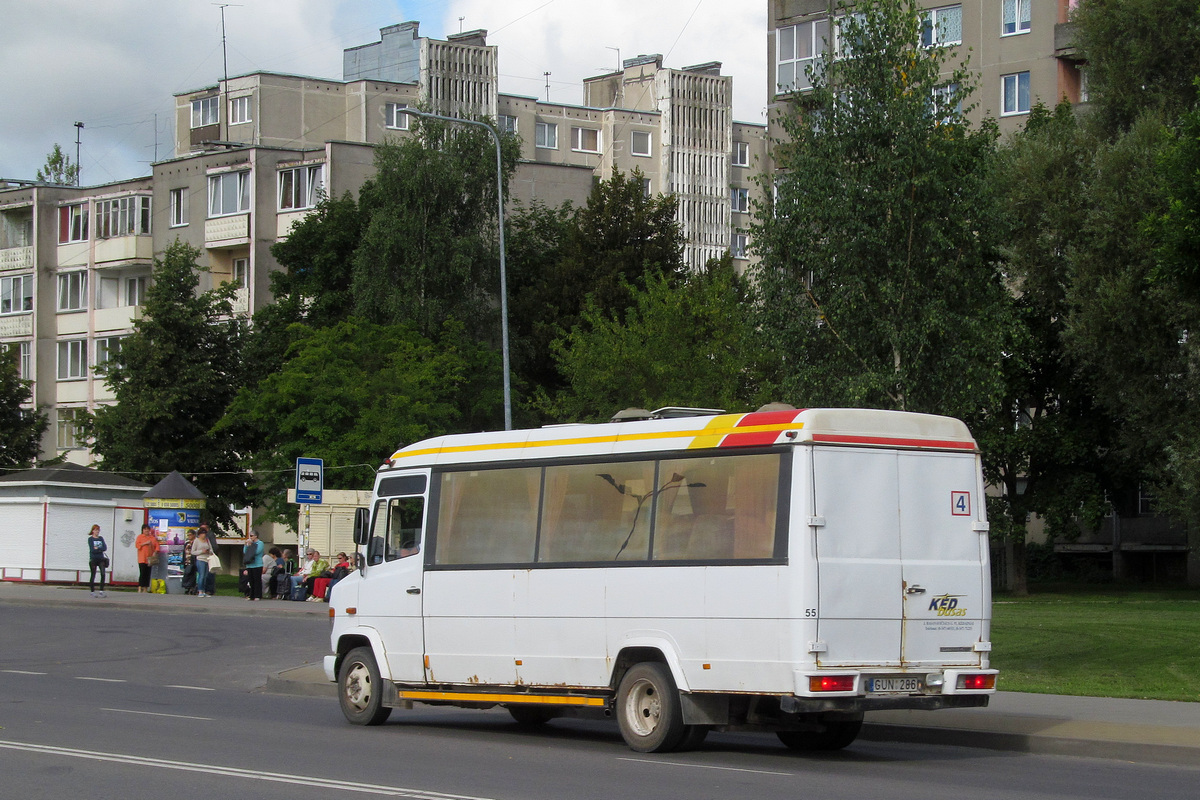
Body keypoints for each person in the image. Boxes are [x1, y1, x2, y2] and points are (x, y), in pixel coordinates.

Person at [241, 531, 265, 601]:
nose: (250, 537)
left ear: (256, 536)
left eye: (252, 536)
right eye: (250, 536)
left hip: (257, 564)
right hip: (250, 564)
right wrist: (246, 545)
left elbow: (257, 552)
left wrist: (251, 545)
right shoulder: (250, 544)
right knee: (251, 581)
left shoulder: (260, 543)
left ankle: (258, 595)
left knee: (257, 580)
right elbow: (245, 552)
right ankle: (251, 595)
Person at [191, 525, 213, 597]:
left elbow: (211, 549)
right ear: (199, 534)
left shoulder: (207, 540)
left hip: (207, 559)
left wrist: (209, 551)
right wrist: (201, 551)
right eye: (203, 534)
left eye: (205, 534)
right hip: (200, 559)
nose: (204, 535)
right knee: (202, 575)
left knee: (206, 576)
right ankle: (200, 591)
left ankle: (204, 590)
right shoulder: (196, 541)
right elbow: (193, 552)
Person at [86, 524, 108, 597]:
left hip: (101, 558)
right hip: (93, 559)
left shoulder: (101, 538)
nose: (97, 531)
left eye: (98, 530)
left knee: (103, 573)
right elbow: (92, 550)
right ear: (93, 531)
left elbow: (104, 548)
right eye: (95, 530)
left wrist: (97, 549)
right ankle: (92, 591)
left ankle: (101, 590)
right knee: (93, 574)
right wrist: (99, 549)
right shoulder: (90, 539)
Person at [135, 524, 157, 593]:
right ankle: (140, 587)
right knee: (142, 573)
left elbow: (157, 546)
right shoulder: (140, 537)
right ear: (142, 530)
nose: (146, 530)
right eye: (145, 529)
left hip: (149, 559)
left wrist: (155, 552)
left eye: (147, 529)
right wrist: (145, 543)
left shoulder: (152, 538)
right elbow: (137, 545)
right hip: (142, 558)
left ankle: (145, 588)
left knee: (148, 573)